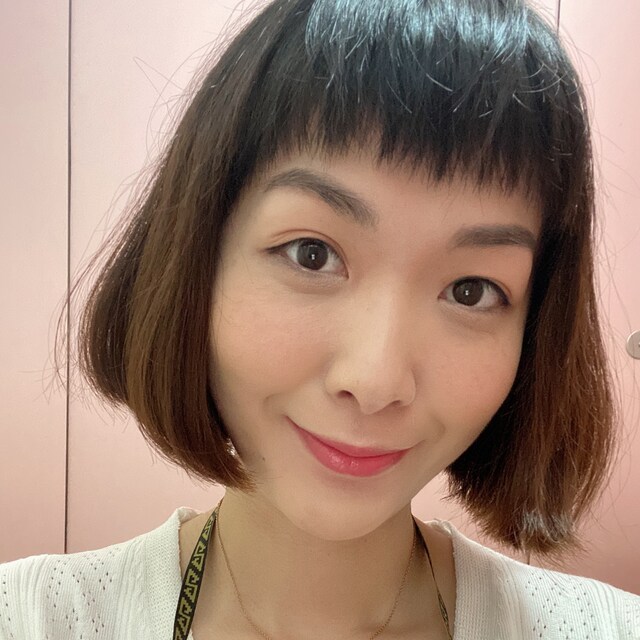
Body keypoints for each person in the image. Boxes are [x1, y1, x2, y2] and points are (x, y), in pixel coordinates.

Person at [2, 0, 639, 637]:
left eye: (471, 291)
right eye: (312, 254)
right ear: (198, 258)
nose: (375, 380)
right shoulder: (35, 617)